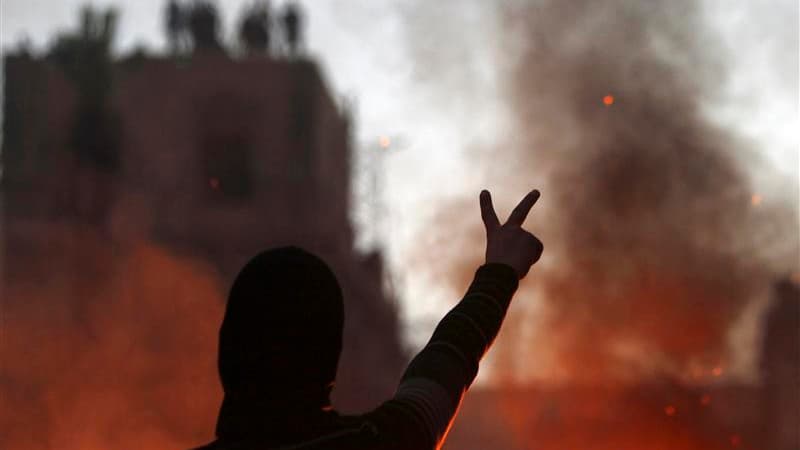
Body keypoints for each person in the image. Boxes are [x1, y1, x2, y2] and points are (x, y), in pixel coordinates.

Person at [193, 189, 544, 449]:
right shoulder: (380, 443)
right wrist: (499, 272)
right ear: (328, 352)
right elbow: (446, 362)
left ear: (230, 349)